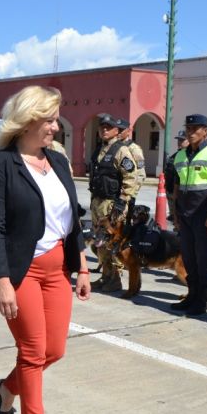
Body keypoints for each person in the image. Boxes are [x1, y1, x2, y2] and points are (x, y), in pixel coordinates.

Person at [0, 85, 90, 414]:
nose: (56, 128)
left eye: (56, 120)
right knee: (32, 351)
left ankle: (8, 389)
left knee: (54, 350)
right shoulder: (0, 166)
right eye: (49, 120)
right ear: (27, 121)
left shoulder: (56, 161)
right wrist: (1, 281)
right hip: (20, 271)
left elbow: (73, 220)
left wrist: (82, 266)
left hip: (58, 269)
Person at [170, 114, 207, 316]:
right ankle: (191, 295)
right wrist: (175, 213)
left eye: (195, 129)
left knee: (203, 258)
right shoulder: (180, 156)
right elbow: (176, 187)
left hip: (203, 214)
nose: (191, 132)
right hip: (185, 214)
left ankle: (201, 301)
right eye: (188, 128)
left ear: (205, 131)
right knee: (188, 257)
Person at [88, 113, 138, 292]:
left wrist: (122, 201)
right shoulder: (99, 150)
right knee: (100, 243)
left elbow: (131, 177)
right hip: (98, 203)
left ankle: (115, 279)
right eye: (102, 127)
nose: (104, 130)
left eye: (108, 127)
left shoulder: (121, 151)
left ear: (117, 131)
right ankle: (106, 276)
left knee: (113, 242)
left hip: (112, 204)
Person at [116, 118, 146, 190]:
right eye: (117, 129)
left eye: (121, 130)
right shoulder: (113, 146)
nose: (118, 132)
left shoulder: (134, 149)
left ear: (128, 131)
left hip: (126, 189)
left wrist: (132, 191)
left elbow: (141, 173)